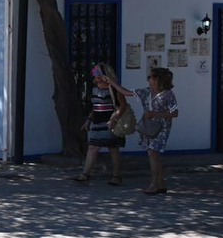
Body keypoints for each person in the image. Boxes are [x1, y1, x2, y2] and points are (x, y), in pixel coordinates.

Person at [72, 62, 134, 184]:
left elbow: (123, 105)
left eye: (100, 73)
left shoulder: (114, 89)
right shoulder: (94, 89)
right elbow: (95, 107)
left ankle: (116, 176)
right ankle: (85, 174)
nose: (97, 76)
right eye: (95, 73)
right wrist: (89, 120)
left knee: (113, 148)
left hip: (111, 122)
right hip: (97, 122)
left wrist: (115, 119)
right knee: (92, 147)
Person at [138, 67, 178, 195]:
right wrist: (111, 81)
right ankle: (160, 184)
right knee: (154, 154)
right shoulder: (148, 92)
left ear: (157, 79)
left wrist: (155, 113)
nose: (148, 79)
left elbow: (175, 113)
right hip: (151, 127)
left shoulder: (168, 94)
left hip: (162, 128)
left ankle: (154, 184)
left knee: (152, 153)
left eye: (151, 77)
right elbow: (127, 92)